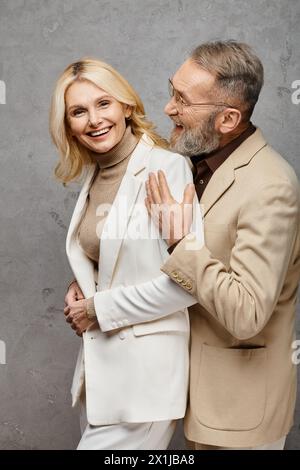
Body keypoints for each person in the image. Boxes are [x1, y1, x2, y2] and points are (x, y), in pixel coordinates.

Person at [145, 40, 300, 450]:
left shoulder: (271, 187)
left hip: (238, 414)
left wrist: (180, 241)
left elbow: (248, 313)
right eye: (172, 90)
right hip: (183, 396)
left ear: (229, 118)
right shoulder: (190, 162)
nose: (168, 108)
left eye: (182, 99)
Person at [49, 58, 203, 450]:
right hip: (100, 380)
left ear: (127, 107)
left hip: (144, 382)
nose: (94, 120)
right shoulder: (96, 173)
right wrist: (82, 283)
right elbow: (119, 255)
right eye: (78, 111)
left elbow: (186, 283)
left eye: (104, 104)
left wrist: (97, 307)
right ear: (68, 125)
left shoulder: (166, 167)